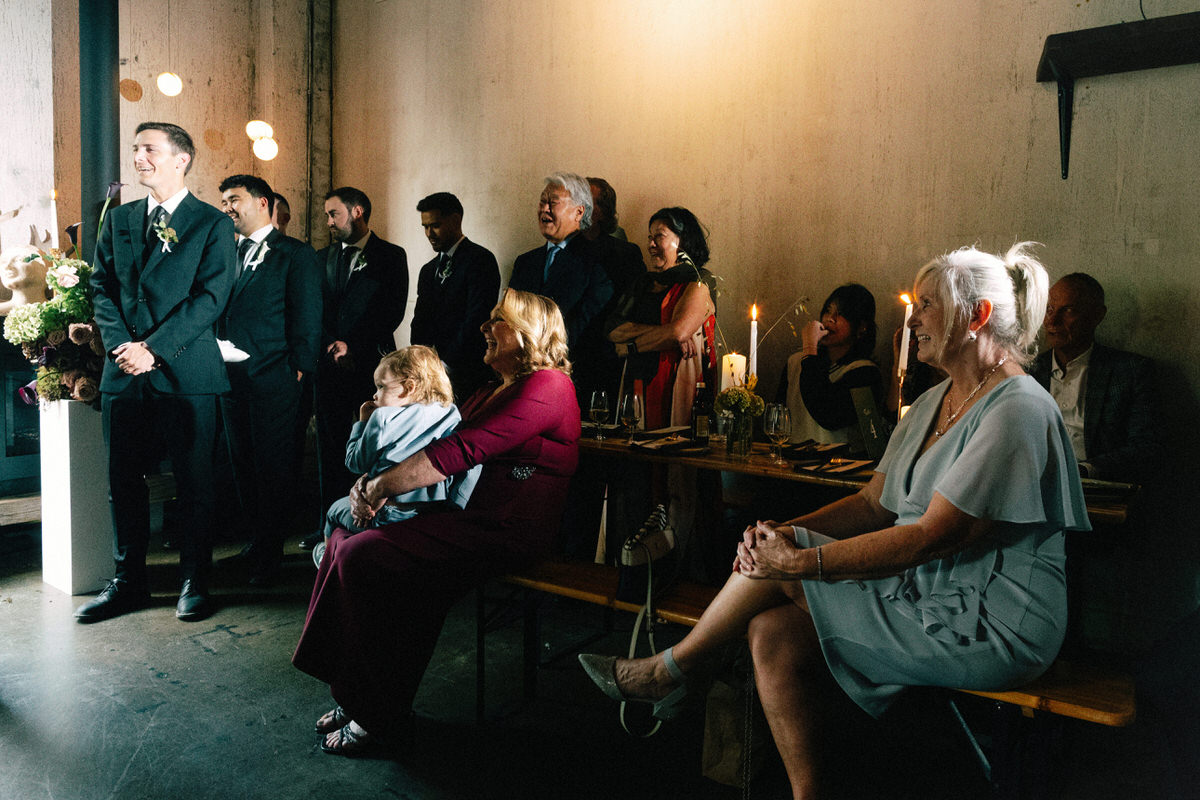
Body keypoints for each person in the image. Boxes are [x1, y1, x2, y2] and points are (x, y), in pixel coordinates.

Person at [581, 242, 1089, 799]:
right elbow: (874, 505)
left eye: (927, 304)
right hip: (926, 593)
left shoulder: (1017, 408)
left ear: (978, 317)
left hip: (993, 622)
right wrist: (783, 533)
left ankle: (668, 672)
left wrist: (801, 562)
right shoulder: (935, 401)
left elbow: (930, 536)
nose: (912, 318)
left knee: (786, 567)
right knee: (770, 631)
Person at [293, 288, 580, 756]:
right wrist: (368, 483)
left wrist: (382, 488)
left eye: (497, 319)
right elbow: (422, 449)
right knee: (346, 538)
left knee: (366, 554)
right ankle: (361, 697)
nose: (485, 328)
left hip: (506, 530)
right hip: (463, 520)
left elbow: (462, 451)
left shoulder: (549, 385)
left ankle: (373, 709)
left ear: (528, 334)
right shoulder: (491, 389)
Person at [78, 121, 236, 623]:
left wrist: (155, 349)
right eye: (136, 149)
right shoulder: (120, 219)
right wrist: (124, 345)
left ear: (180, 159)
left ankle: (195, 580)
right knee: (121, 480)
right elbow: (101, 287)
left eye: (149, 149)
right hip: (124, 372)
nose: (139, 157)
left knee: (194, 480)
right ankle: (129, 583)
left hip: (187, 373)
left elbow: (211, 297)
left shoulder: (212, 223)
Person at [216, 174, 322, 585]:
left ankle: (271, 554)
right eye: (223, 200)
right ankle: (256, 542)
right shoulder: (225, 251)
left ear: (263, 203)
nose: (227, 207)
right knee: (242, 461)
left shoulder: (295, 254)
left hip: (275, 374)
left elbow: (308, 312)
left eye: (234, 199)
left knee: (273, 465)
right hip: (229, 376)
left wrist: (300, 365)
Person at [315, 345, 480, 565]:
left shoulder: (382, 419)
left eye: (381, 386)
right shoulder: (450, 414)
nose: (374, 394)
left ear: (408, 388)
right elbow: (469, 465)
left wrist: (362, 422)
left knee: (334, 511)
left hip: (387, 515)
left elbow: (354, 462)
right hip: (430, 514)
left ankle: (326, 559)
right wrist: (456, 506)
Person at [313, 187, 408, 521]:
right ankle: (330, 517)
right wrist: (330, 345)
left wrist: (351, 345)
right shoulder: (321, 257)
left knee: (371, 441)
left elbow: (391, 311)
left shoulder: (391, 256)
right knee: (329, 444)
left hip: (371, 365)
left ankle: (368, 515)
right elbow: (314, 309)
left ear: (357, 212)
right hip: (328, 364)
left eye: (333, 214)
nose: (328, 222)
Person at [1030, 272, 1164, 483]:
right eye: (1049, 309)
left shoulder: (1131, 371)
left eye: (1068, 311)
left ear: (1097, 316)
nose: (1052, 321)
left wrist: (1085, 471)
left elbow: (1146, 446)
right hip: (1034, 485)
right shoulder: (1028, 371)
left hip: (1096, 490)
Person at [606, 206, 716, 428]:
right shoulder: (642, 283)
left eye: (659, 236)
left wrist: (629, 346)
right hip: (637, 379)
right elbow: (613, 329)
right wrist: (666, 334)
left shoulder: (700, 280)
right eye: (650, 237)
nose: (651, 244)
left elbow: (679, 332)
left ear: (682, 241)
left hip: (677, 381)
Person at [409, 192, 500, 402]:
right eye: (425, 226)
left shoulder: (481, 260)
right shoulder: (428, 270)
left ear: (456, 220)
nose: (429, 233)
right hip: (429, 375)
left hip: (466, 372)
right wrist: (420, 362)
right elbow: (420, 320)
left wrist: (446, 365)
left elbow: (477, 317)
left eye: (435, 225)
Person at [508, 172, 613, 351]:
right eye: (542, 202)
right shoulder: (525, 262)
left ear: (579, 212)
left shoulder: (600, 260)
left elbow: (588, 325)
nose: (545, 209)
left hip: (570, 366)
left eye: (553, 203)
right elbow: (510, 317)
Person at [775, 283, 884, 449]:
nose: (829, 319)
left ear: (862, 327)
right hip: (789, 464)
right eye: (827, 310)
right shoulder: (795, 362)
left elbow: (828, 415)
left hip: (839, 468)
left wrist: (810, 347)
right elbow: (776, 418)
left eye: (841, 314)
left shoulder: (865, 372)